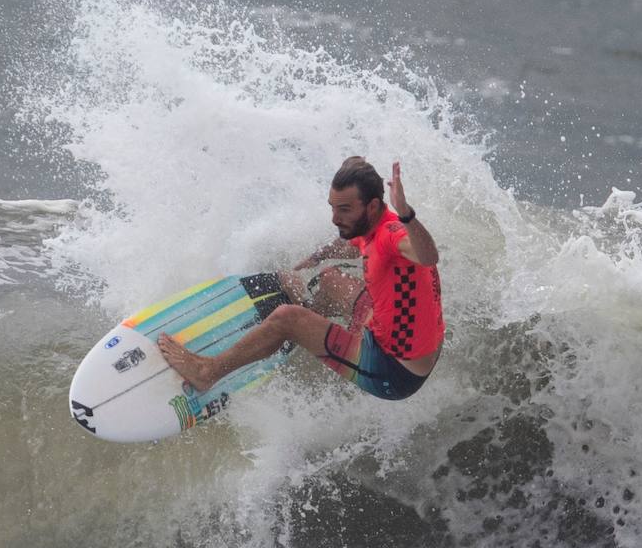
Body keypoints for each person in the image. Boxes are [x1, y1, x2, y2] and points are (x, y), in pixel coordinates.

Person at [158, 156, 444, 400]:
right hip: (400, 339)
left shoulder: (393, 234)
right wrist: (313, 260)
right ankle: (291, 336)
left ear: (371, 206)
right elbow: (348, 243)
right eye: (332, 207)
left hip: (393, 371)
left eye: (343, 210)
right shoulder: (370, 223)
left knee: (287, 317)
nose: (334, 218)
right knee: (329, 279)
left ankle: (209, 372)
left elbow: (428, 255)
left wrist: (407, 214)